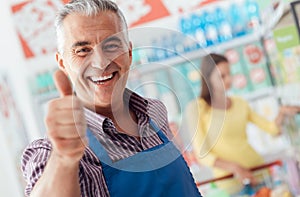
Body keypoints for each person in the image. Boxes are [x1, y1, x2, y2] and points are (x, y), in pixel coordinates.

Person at [21, 0, 202, 196]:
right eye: (82, 50)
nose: (100, 63)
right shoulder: (49, 153)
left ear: (129, 53)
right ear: (62, 63)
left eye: (112, 45)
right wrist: (64, 159)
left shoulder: (155, 112)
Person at [185, 53, 300, 193]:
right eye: (222, 76)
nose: (228, 80)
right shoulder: (197, 108)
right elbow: (202, 154)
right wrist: (235, 168)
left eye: (229, 74)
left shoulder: (240, 103)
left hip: (259, 173)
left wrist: (282, 112)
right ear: (208, 78)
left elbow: (272, 129)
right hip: (231, 183)